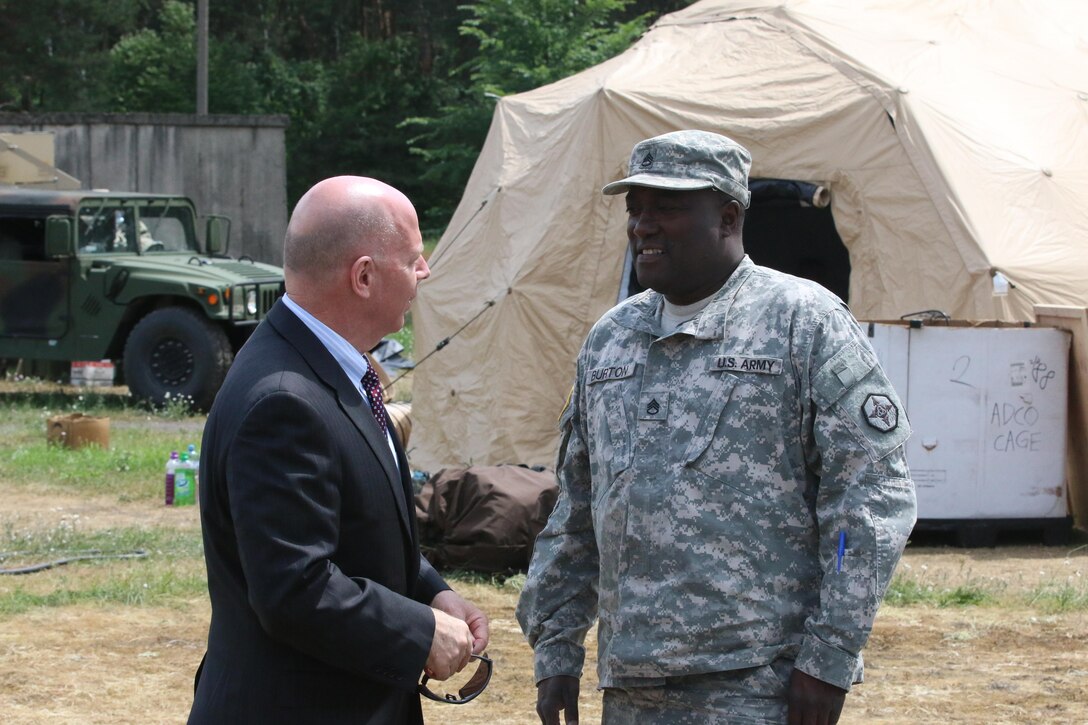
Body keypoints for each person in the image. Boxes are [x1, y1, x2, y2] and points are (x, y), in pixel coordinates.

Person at [516, 131, 917, 724]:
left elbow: (868, 503)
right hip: (629, 685)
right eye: (636, 209)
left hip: (756, 685)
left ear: (728, 216)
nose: (643, 226)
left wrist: (829, 657)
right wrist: (556, 649)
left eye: (668, 208)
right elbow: (577, 510)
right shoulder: (611, 338)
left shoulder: (802, 323)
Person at [189, 176, 489, 724]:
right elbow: (295, 589)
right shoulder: (283, 401)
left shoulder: (324, 367)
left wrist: (431, 593)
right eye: (415, 259)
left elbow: (354, 528)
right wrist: (420, 632)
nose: (425, 272)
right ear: (365, 276)